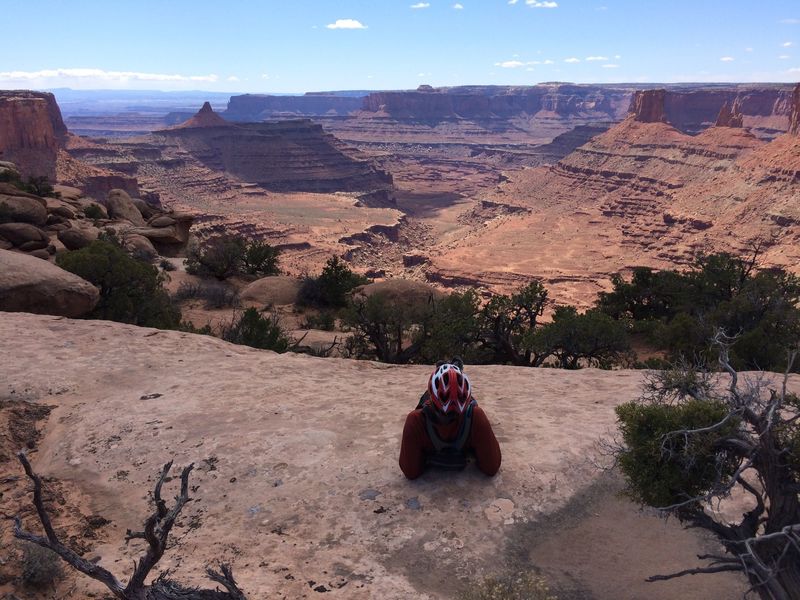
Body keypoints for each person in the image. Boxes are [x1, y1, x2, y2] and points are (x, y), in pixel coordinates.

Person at [399, 359, 501, 479]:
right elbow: (491, 467)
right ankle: (452, 366)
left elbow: (411, 471)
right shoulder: (474, 416)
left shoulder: (416, 420)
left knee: (427, 400)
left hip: (431, 406)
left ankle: (445, 367)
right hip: (465, 414)